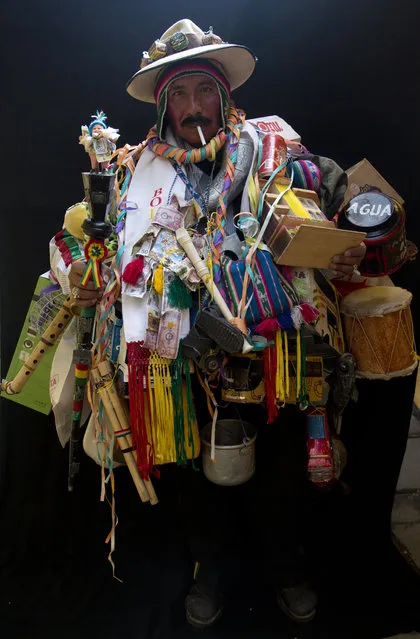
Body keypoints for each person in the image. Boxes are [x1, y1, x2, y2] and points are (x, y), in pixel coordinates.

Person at [49, 19, 367, 629]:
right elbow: (73, 244)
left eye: (203, 91)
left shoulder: (274, 148)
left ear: (223, 95)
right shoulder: (127, 171)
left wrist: (345, 243)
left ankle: (285, 566)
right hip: (176, 355)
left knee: (277, 470)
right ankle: (208, 569)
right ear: (164, 102)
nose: (193, 108)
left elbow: (339, 203)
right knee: (192, 474)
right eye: (180, 94)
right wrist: (81, 276)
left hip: (271, 344)